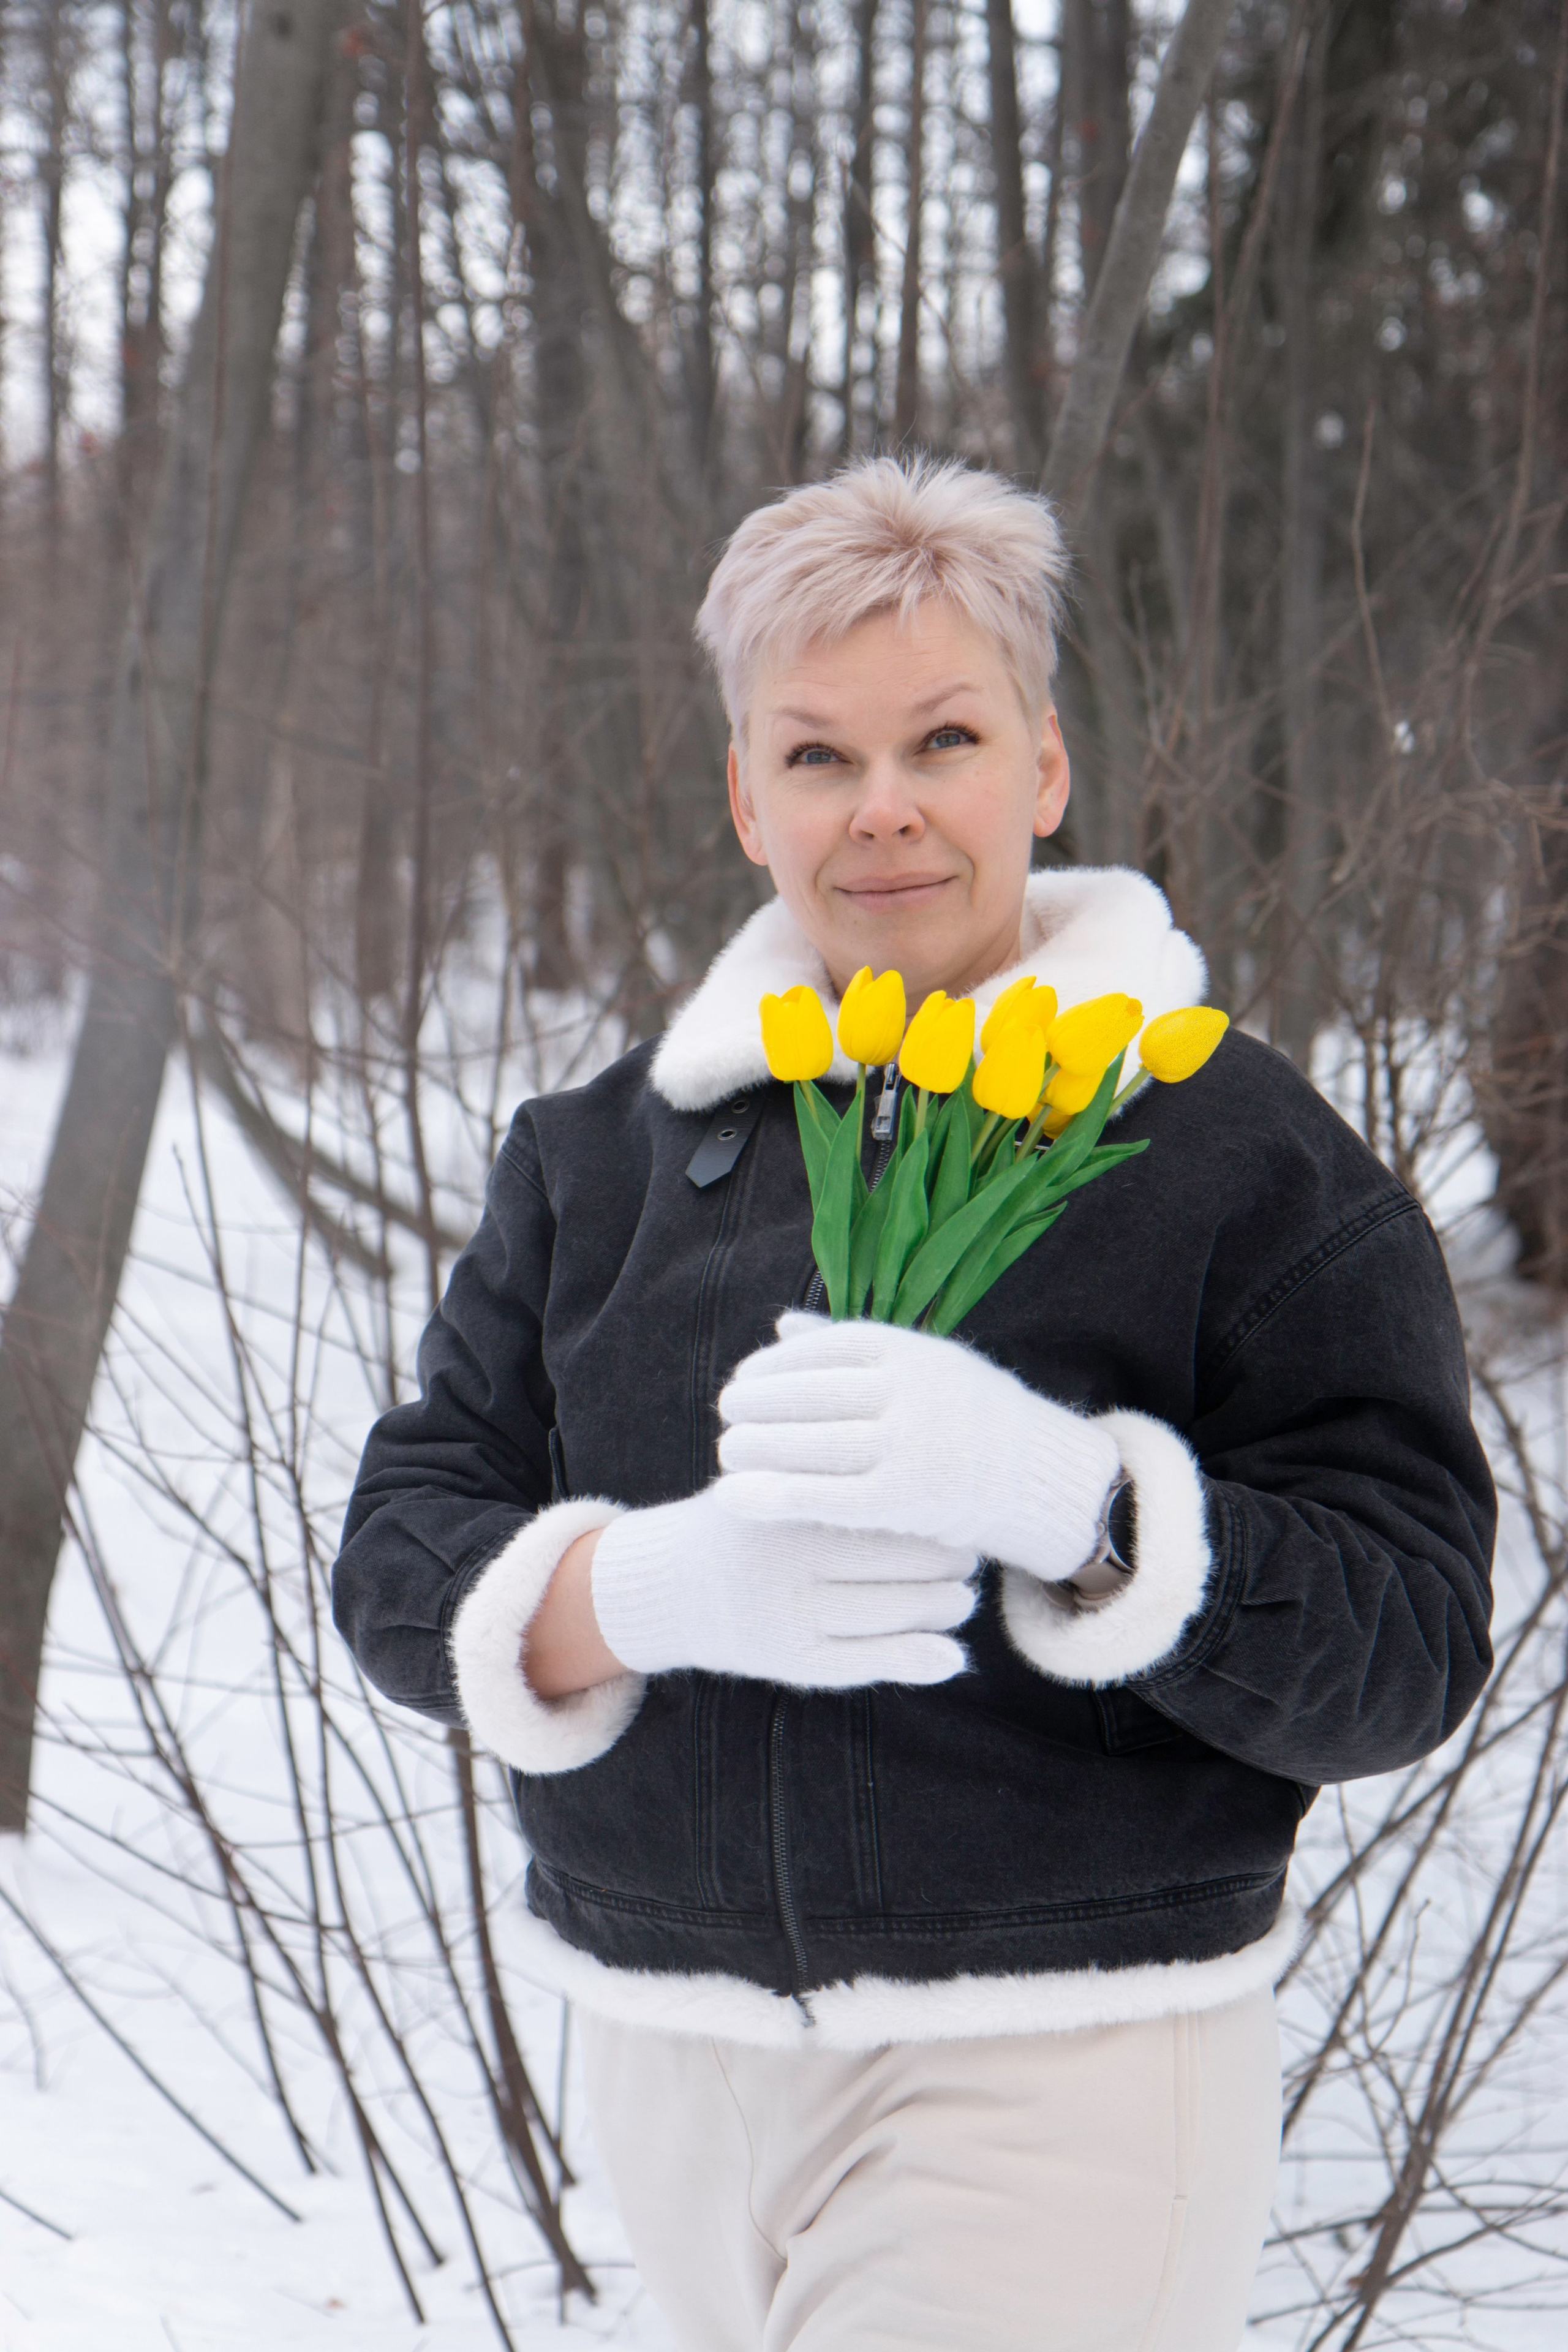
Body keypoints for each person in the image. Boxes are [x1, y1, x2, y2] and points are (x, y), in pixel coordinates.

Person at [331, 456, 1496, 2351]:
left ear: (1040, 766)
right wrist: (632, 1594)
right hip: (669, 2047)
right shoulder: (600, 1158)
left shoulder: (1231, 1147)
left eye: (942, 738)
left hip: (1061, 2055)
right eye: (815, 756)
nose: (882, 810)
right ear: (742, 795)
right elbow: (401, 1549)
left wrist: (1085, 1511)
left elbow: (1412, 1639)